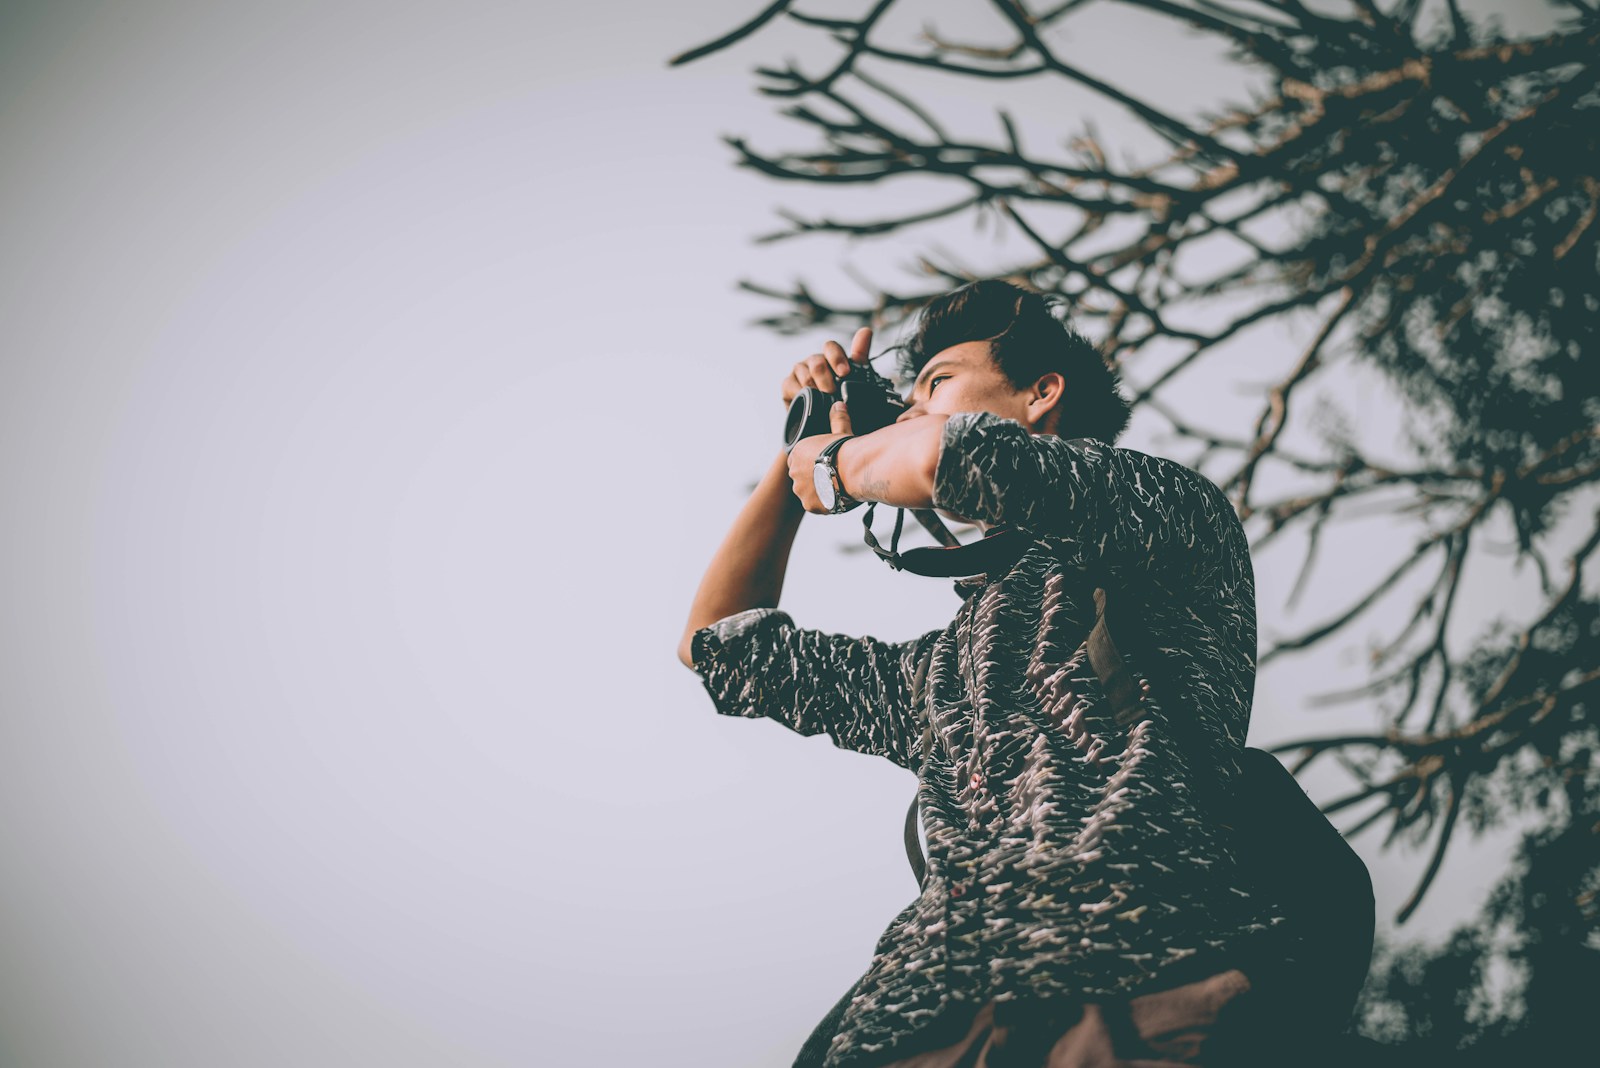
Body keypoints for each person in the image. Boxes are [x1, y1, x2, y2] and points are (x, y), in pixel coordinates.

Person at [676, 281, 1292, 1068]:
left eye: (937, 384)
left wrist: (836, 464)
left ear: (1042, 394)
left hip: (1134, 978)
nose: (909, 412)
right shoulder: (939, 673)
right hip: (913, 1020)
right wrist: (793, 460)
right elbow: (718, 646)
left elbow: (951, 458)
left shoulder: (1158, 510)